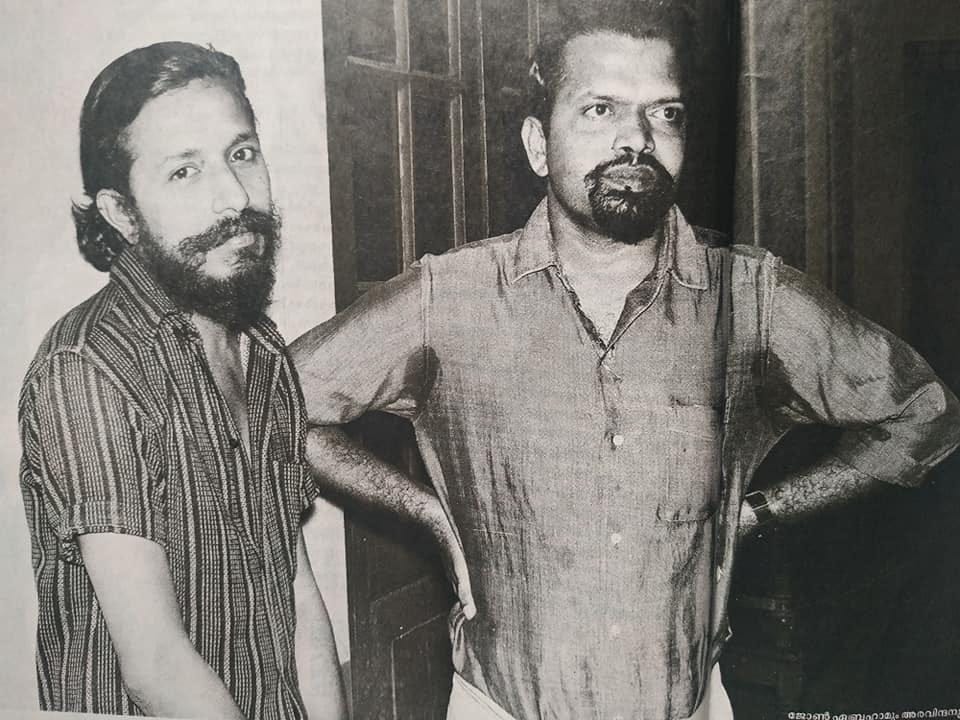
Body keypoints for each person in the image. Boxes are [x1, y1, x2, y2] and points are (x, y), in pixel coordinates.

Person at [290, 5, 960, 720]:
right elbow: (278, 398)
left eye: (664, 113)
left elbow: (923, 413)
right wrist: (425, 510)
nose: (637, 139)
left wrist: (757, 512)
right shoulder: (447, 300)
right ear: (539, 145)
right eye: (600, 108)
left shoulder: (752, 300)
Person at [18, 42, 347, 719]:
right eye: (184, 171)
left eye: (242, 153)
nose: (235, 197)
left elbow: (296, 591)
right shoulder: (89, 369)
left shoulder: (262, 348)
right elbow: (156, 667)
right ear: (120, 213)